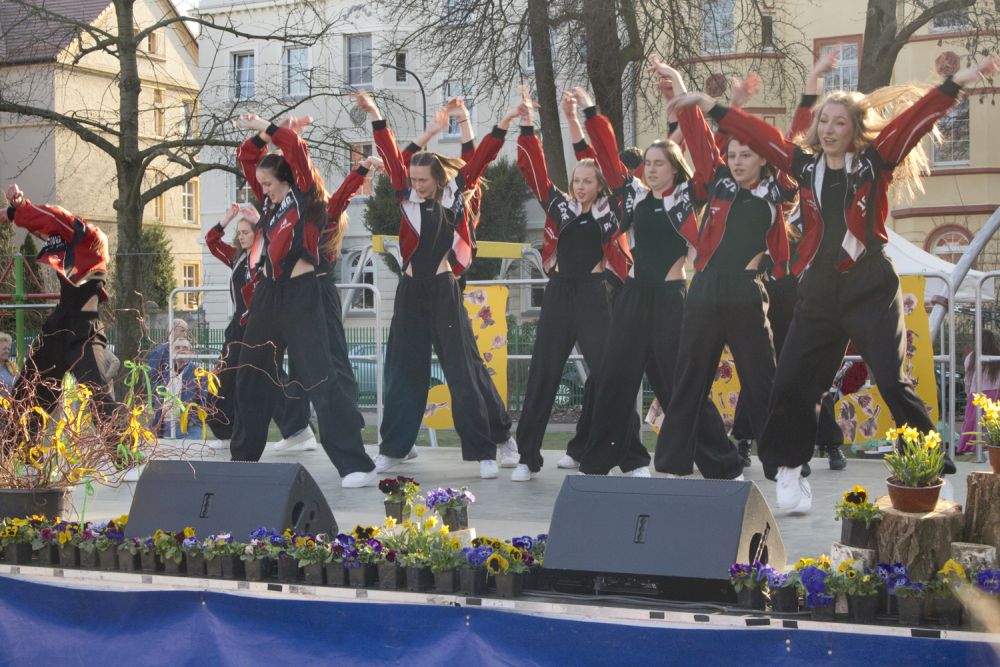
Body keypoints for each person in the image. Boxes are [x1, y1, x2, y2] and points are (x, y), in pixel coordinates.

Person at [679, 52, 999, 512]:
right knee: (792, 384)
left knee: (893, 383)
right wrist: (711, 108)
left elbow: (914, 121)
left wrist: (956, 84)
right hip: (820, 291)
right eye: (824, 121)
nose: (829, 129)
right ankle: (790, 471)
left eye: (839, 123)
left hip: (869, 286)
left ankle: (928, 466)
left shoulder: (875, 162)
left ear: (854, 130)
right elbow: (760, 136)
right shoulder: (804, 166)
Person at [568, 74, 741, 480]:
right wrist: (590, 111)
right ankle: (608, 462)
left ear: (675, 168)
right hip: (633, 298)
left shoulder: (688, 194)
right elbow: (609, 157)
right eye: (647, 163)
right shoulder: (636, 195)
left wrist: (685, 99)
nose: (651, 169)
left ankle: (723, 465)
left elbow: (707, 154)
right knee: (612, 378)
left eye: (659, 163)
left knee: (682, 387)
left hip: (671, 301)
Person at [355, 91, 519, 479]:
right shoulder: (405, 195)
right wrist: (376, 113)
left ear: (438, 179)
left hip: (444, 290)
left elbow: (482, 156)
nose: (417, 186)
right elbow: (391, 151)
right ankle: (394, 449)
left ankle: (486, 449)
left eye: (423, 180)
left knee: (463, 370)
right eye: (413, 180)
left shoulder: (455, 195)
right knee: (402, 369)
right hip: (411, 293)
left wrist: (506, 119)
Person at [652, 58, 792, 483]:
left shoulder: (777, 186)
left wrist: (723, 107)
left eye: (746, 154)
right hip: (705, 290)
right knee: (688, 380)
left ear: (762, 159)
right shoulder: (718, 180)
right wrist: (679, 88)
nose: (737, 160)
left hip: (746, 293)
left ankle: (783, 468)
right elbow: (697, 137)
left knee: (763, 380)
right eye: (732, 154)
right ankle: (674, 466)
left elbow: (774, 144)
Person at [228, 113, 376, 489]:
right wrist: (262, 137)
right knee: (250, 374)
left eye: (269, 185)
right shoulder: (271, 203)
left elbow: (295, 150)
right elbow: (247, 158)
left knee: (320, 377)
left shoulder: (305, 196)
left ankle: (354, 463)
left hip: (302, 294)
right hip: (268, 295)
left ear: (288, 180)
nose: (264, 191)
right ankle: (243, 458)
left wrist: (276, 127)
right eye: (261, 185)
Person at [510, 88, 643, 481]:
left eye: (588, 180)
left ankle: (630, 456)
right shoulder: (561, 206)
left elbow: (606, 157)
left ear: (600, 185)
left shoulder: (613, 208)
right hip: (559, 294)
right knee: (543, 374)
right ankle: (526, 457)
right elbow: (531, 168)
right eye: (576, 180)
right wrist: (528, 123)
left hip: (595, 294)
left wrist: (580, 117)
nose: (581, 186)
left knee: (609, 375)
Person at [1, 184, 115, 436]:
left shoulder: (88, 236)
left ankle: (123, 450)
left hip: (84, 330)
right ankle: (14, 447)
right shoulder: (68, 242)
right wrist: (16, 213)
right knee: (30, 385)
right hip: (59, 328)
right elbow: (40, 225)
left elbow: (52, 215)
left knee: (97, 390)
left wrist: (18, 208)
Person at [203, 201, 316, 453]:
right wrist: (227, 218)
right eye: (239, 233)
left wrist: (261, 222)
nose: (242, 237)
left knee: (265, 378)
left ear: (258, 235)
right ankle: (226, 430)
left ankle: (298, 429)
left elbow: (272, 240)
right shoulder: (236, 258)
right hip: (238, 328)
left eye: (247, 233)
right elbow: (211, 242)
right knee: (224, 378)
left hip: (259, 324)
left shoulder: (263, 257)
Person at [158, 337, 208, 441]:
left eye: (185, 348)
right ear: (172, 352)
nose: (181, 350)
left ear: (191, 352)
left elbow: (204, 402)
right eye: (177, 347)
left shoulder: (199, 374)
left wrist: (191, 420)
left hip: (189, 429)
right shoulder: (165, 374)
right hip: (165, 429)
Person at [959, 329, 1000, 453]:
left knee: (973, 420)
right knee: (993, 420)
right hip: (995, 392)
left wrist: (968, 392)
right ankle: (992, 444)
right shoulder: (997, 355)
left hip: (976, 393)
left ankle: (970, 445)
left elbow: (968, 378)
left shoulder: (971, 357)